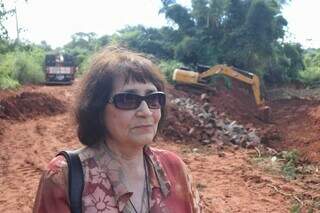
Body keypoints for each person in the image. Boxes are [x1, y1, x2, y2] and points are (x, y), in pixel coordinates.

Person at [33, 46, 201, 213]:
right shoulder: (64, 177)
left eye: (153, 99)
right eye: (128, 99)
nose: (146, 112)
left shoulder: (174, 168)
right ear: (97, 109)